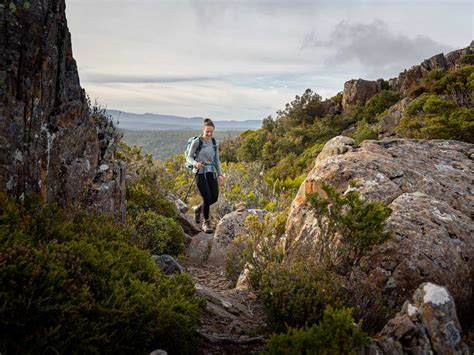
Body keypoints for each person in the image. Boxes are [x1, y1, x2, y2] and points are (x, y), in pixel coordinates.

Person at [186, 118, 223, 233]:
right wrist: (196, 163)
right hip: (200, 173)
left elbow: (216, 159)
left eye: (211, 132)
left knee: (214, 197)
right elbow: (189, 157)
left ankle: (198, 209)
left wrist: (220, 174)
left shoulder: (214, 142)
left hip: (211, 172)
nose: (209, 134)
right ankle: (206, 222)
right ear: (203, 130)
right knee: (207, 197)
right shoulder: (197, 142)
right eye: (207, 131)